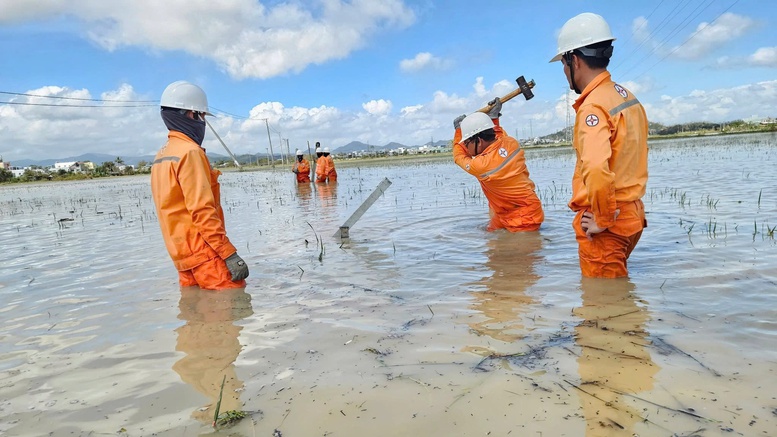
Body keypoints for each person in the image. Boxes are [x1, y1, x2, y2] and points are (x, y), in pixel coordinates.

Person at [551, 12, 649, 278]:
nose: (563, 72)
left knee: (603, 307)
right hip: (632, 216)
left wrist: (603, 219)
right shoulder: (627, 97)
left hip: (607, 223)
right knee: (616, 301)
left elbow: (595, 166)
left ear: (574, 59)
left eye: (563, 63)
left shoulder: (593, 105)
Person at [150, 80, 249, 290]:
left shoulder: (162, 155)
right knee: (231, 310)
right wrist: (228, 253)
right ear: (191, 114)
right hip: (206, 253)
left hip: (181, 255)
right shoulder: (190, 152)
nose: (203, 122)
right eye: (202, 116)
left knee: (200, 314)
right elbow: (202, 210)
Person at [452, 99, 544, 232]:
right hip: (507, 212)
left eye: (466, 143)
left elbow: (459, 156)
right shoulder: (511, 143)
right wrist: (493, 118)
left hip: (524, 217)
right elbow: (498, 136)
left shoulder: (482, 165)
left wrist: (458, 131)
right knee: (493, 241)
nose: (465, 147)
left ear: (479, 140)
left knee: (518, 250)